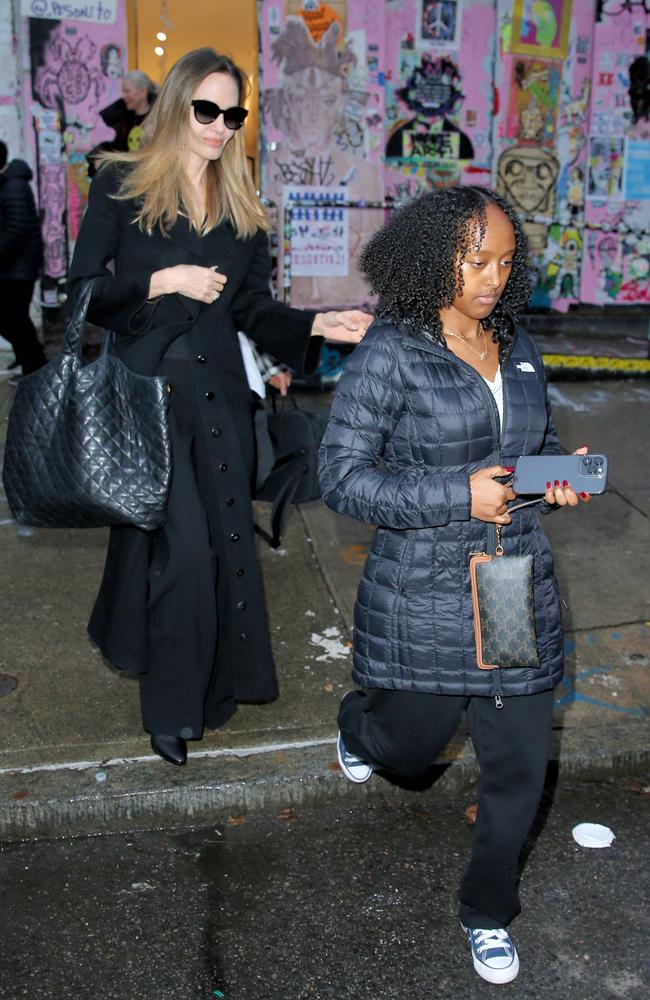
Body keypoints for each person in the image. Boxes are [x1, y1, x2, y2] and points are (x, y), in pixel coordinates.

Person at [318, 186, 592, 986]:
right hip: (425, 590)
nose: (492, 279)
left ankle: (487, 911)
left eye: (506, 262)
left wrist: (553, 478)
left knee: (520, 765)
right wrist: (454, 494)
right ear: (432, 258)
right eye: (476, 261)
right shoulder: (391, 351)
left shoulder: (520, 343)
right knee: (409, 749)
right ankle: (358, 729)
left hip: (510, 585)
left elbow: (523, 454)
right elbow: (340, 479)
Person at [68, 48, 371, 767]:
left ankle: (216, 690)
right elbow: (79, 293)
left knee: (226, 549)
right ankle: (171, 711)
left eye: (232, 114)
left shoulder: (243, 211)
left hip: (221, 407)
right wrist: (159, 281)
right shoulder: (120, 185)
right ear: (175, 105)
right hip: (151, 403)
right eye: (206, 109)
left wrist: (317, 326)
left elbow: (253, 312)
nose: (219, 126)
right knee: (186, 554)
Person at [0, 141, 46, 380]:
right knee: (14, 319)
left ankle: (35, 367)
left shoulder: (13, 185)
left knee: (14, 319)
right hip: (14, 267)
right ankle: (28, 359)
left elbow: (17, 229)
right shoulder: (8, 183)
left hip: (18, 268)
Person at [87, 70, 157, 176]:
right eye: (123, 91)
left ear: (143, 92)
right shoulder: (126, 121)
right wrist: (101, 158)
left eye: (127, 91)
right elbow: (118, 149)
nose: (124, 96)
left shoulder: (157, 121)